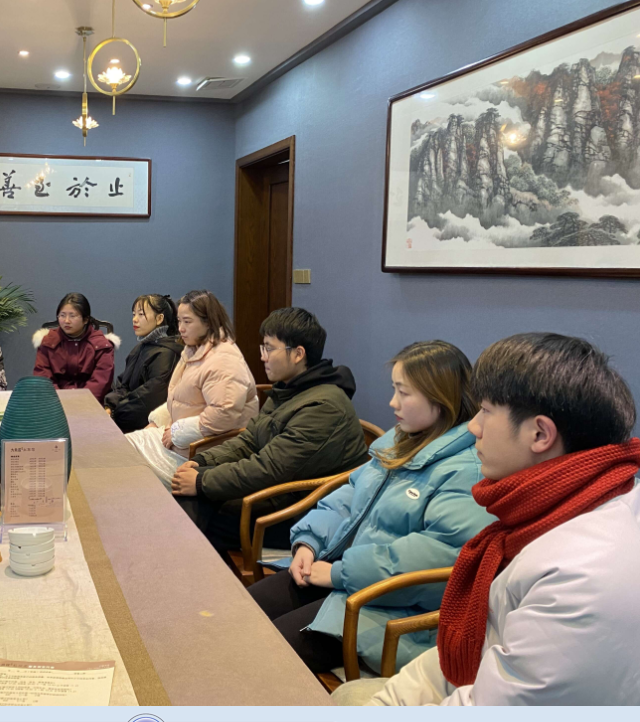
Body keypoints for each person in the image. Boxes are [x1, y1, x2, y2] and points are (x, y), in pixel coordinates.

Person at [364, 333, 640, 706]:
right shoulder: (552, 513)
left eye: (486, 411)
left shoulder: (579, 577)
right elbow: (471, 660)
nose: (473, 427)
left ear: (539, 434)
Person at [247, 340, 494, 676]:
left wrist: (338, 574)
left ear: (441, 398)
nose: (392, 402)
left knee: (263, 651)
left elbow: (435, 559)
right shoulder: (402, 438)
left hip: (387, 608)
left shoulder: (466, 470)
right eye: (394, 389)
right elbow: (351, 495)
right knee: (241, 611)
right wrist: (309, 542)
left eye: (403, 393)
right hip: (344, 577)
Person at [170, 308, 370, 551]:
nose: (263, 357)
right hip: (277, 492)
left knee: (191, 511)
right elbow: (249, 441)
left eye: (269, 348)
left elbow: (269, 468)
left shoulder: (324, 407)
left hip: (303, 512)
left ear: (298, 354)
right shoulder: (289, 388)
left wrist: (202, 481)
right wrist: (202, 462)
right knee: (187, 503)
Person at [127, 289, 258, 488]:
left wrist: (177, 433)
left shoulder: (223, 359)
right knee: (117, 450)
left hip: (200, 455)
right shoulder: (194, 349)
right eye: (179, 321)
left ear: (208, 322)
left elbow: (224, 413)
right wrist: (157, 421)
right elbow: (183, 398)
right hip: (179, 442)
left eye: (187, 322)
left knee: (124, 461)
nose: (180, 328)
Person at [104, 294, 183, 433]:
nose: (134, 319)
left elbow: (150, 398)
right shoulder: (141, 347)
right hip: (124, 417)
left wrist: (117, 414)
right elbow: (123, 384)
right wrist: (109, 406)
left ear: (159, 319)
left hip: (145, 426)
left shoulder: (166, 353)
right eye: (134, 314)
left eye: (141, 314)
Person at [32, 293, 119, 404]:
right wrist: (58, 402)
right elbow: (43, 376)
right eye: (62, 315)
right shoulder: (48, 341)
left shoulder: (101, 345)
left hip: (91, 403)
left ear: (86, 319)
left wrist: (81, 403)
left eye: (72, 316)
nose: (66, 321)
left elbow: (101, 380)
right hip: (54, 403)